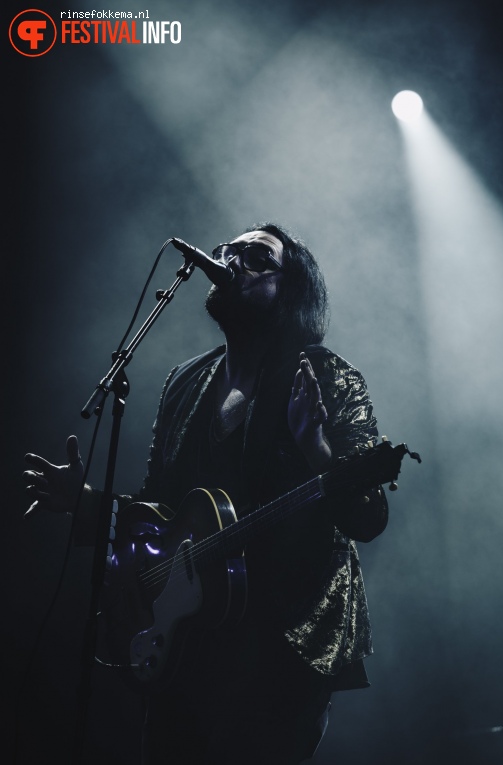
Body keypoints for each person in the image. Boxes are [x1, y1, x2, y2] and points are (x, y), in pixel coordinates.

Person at [24, 222, 389, 764]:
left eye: (256, 255)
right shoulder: (186, 381)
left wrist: (315, 447)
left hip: (281, 644)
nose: (230, 259)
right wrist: (88, 503)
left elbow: (370, 516)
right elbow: (163, 512)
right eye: (227, 250)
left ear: (291, 288)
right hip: (192, 641)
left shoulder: (328, 377)